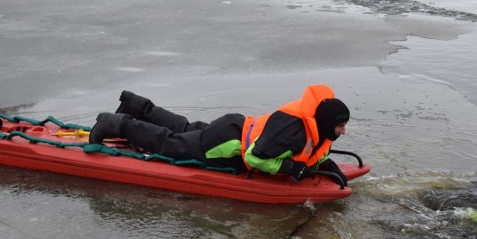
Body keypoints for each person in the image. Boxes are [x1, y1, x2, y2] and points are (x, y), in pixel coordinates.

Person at [89, 84, 351, 184]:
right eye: (340, 126)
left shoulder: (318, 126)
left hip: (234, 127)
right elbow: (255, 157)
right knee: (170, 144)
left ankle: (135, 104)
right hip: (226, 144)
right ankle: (117, 124)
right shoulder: (294, 132)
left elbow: (313, 151)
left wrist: (326, 164)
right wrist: (291, 168)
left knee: (185, 129)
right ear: (327, 122)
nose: (343, 131)